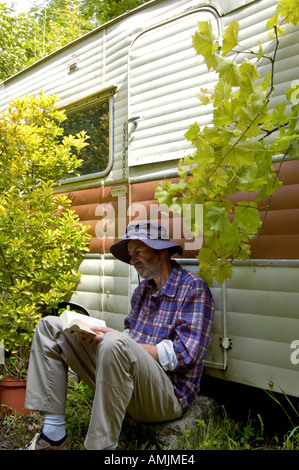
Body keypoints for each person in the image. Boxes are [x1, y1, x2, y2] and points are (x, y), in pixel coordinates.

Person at [21, 221, 214, 450]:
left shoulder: (193, 288)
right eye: (131, 254)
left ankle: (103, 448)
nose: (132, 260)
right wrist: (94, 340)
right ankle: (54, 436)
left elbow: (186, 355)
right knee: (50, 326)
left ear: (161, 251)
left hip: (167, 396)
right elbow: (127, 345)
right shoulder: (142, 291)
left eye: (138, 252)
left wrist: (120, 342)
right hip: (130, 386)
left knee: (115, 342)